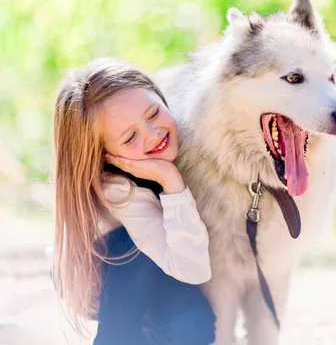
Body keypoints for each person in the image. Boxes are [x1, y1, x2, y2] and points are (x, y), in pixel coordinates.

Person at [52, 57, 215, 344]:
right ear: (106, 155)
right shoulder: (117, 189)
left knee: (192, 320)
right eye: (130, 138)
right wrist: (171, 182)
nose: (153, 135)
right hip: (108, 277)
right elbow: (192, 268)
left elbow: (191, 270)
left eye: (153, 114)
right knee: (129, 247)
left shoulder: (188, 127)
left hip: (164, 266)